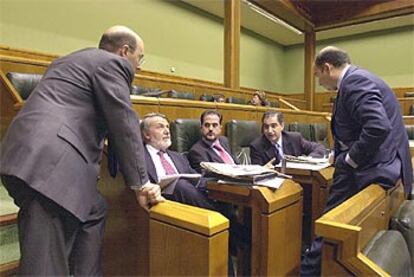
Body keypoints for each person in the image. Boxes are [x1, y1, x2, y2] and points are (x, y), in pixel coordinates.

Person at [0, 25, 163, 276]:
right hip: (49, 166)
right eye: (140, 58)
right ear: (124, 51)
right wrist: (141, 183)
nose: (140, 66)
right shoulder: (112, 64)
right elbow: (123, 121)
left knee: (93, 208)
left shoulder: (72, 61)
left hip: (30, 156)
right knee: (44, 263)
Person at [300, 46, 413, 276]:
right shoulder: (358, 78)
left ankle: (307, 272)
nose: (319, 82)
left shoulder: (354, 82)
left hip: (369, 169)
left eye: (317, 75)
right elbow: (353, 126)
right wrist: (336, 151)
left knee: (329, 227)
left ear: (326, 68)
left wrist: (349, 159)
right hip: (385, 165)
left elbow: (377, 126)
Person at [141, 112, 215, 210]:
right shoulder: (139, 158)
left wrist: (219, 184)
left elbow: (198, 179)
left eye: (167, 127)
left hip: (189, 203)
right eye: (160, 127)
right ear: (146, 134)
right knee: (180, 185)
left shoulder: (178, 157)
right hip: (162, 204)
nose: (167, 131)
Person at [250, 111, 326, 166]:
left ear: (282, 126)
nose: (270, 131)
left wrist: (308, 159)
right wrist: (263, 170)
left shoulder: (295, 138)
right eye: (266, 127)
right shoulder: (256, 146)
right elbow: (256, 173)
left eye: (273, 126)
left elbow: (319, 147)